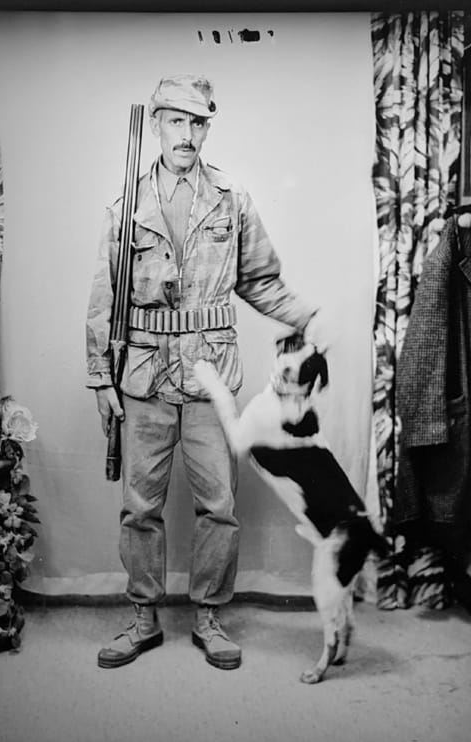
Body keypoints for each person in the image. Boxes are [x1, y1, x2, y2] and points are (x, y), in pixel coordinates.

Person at [86, 73, 324, 670]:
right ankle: (143, 615)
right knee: (139, 506)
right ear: (159, 125)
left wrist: (307, 315)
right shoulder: (126, 202)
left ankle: (210, 616)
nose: (187, 134)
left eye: (198, 123)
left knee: (219, 503)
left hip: (211, 374)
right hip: (142, 374)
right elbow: (103, 295)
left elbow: (260, 280)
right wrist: (99, 376)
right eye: (176, 121)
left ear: (206, 129)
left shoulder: (231, 198)